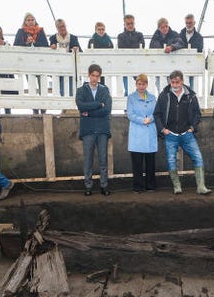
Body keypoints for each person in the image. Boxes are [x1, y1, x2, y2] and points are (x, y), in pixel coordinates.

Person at [154, 69, 210, 195]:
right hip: (170, 134)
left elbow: (197, 114)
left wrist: (193, 127)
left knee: (198, 157)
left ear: (182, 81)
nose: (174, 85)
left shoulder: (191, 95)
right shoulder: (164, 95)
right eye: (172, 82)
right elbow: (156, 114)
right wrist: (163, 129)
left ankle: (201, 187)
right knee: (171, 160)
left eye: (177, 82)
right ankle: (177, 186)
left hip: (187, 134)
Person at [75, 63, 113, 196]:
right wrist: (98, 104)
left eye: (97, 76)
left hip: (102, 129)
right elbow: (80, 106)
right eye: (93, 75)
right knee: (88, 160)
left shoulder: (104, 89)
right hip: (88, 130)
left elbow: (107, 110)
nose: (95, 79)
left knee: (103, 159)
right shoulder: (81, 90)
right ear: (88, 75)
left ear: (100, 76)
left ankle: (104, 186)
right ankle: (88, 186)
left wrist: (89, 112)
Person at [126, 73, 158, 192]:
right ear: (136, 84)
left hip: (150, 131)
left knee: (150, 161)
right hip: (137, 133)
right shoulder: (131, 98)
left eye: (143, 84)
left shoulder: (152, 97)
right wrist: (142, 120)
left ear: (147, 85)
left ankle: (150, 185)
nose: (141, 86)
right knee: (137, 162)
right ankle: (138, 186)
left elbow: (156, 112)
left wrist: (150, 118)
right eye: (139, 84)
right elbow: (130, 114)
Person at [50, 19, 82, 96]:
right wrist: (51, 47)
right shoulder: (53, 38)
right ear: (57, 28)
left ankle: (70, 100)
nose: (62, 28)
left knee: (71, 85)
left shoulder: (73, 38)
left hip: (70, 66)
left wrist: (76, 49)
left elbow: (80, 52)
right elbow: (50, 53)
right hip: (58, 66)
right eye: (60, 27)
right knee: (60, 86)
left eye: (63, 26)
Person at [118, 14, 145, 96]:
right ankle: (127, 107)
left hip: (138, 65)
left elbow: (142, 46)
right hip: (126, 65)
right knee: (127, 89)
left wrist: (129, 44)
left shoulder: (140, 34)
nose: (130, 25)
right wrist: (134, 44)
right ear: (124, 24)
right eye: (128, 24)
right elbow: (121, 47)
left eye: (132, 23)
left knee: (141, 87)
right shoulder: (120, 36)